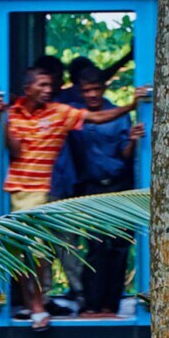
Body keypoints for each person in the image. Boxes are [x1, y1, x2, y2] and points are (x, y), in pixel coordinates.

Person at [0, 67, 150, 329]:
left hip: (49, 190)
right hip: (23, 191)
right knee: (25, 253)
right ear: (29, 88)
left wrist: (133, 104)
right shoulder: (14, 114)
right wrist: (3, 119)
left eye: (50, 85)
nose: (48, 89)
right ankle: (36, 306)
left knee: (45, 251)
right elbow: (16, 151)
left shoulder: (59, 112)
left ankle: (40, 306)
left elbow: (98, 118)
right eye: (42, 85)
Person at [62, 66, 143, 316]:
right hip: (91, 187)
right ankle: (92, 304)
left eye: (96, 89)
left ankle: (111, 304)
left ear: (103, 88)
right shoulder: (75, 116)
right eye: (87, 90)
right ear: (81, 92)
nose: (92, 95)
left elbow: (124, 154)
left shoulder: (118, 116)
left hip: (118, 184)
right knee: (95, 245)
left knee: (118, 246)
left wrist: (133, 141)